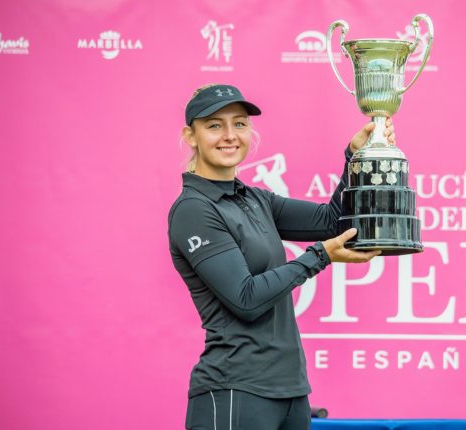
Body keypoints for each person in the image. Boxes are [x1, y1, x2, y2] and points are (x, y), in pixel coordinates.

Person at [167, 83, 395, 430]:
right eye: (214, 125)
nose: (230, 135)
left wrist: (354, 156)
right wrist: (320, 256)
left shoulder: (255, 199)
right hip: (234, 391)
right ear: (191, 135)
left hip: (290, 393)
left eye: (239, 124)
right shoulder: (194, 210)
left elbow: (331, 221)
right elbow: (246, 298)